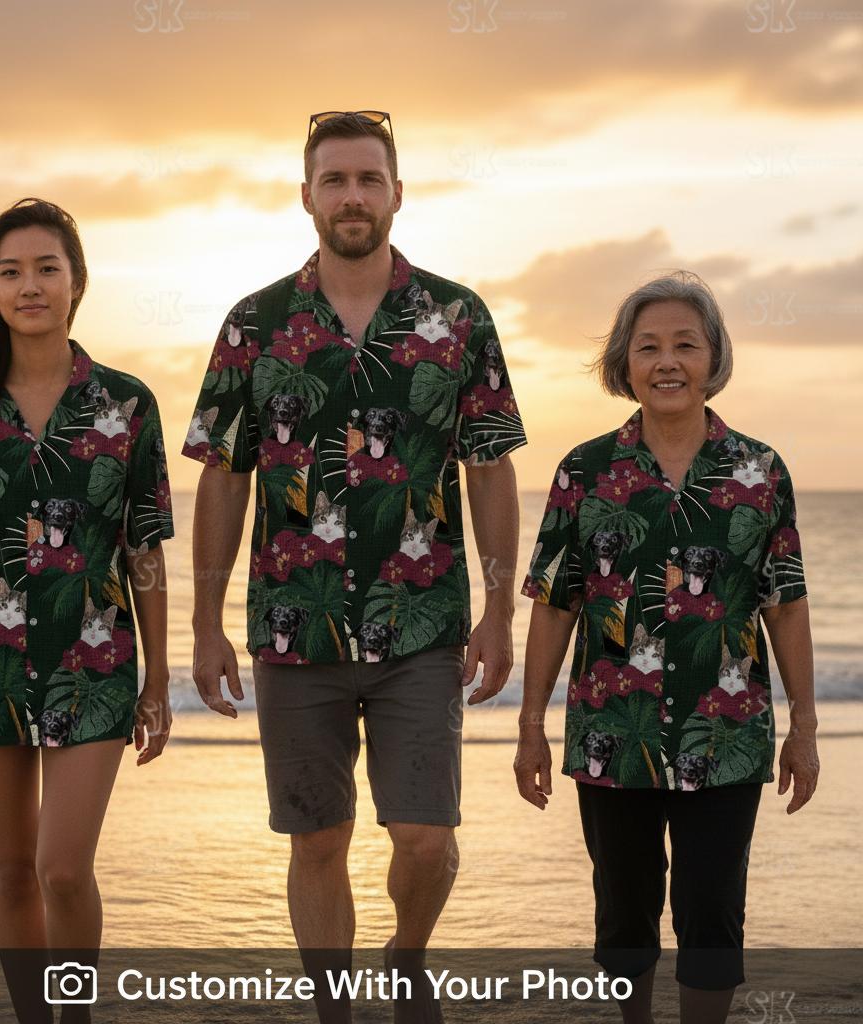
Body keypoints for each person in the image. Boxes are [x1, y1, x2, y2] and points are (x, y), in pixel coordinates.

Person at [182, 111, 527, 1022]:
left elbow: (490, 467)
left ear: (397, 194)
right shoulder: (253, 323)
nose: (352, 197)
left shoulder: (459, 317)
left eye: (369, 180)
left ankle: (405, 954)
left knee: (424, 838)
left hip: (423, 623)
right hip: (295, 626)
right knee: (318, 838)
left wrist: (500, 610)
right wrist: (204, 621)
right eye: (334, 181)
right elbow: (223, 476)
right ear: (306, 197)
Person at [0, 198, 175, 1023]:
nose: (30, 285)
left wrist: (157, 679)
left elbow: (144, 550)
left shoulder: (127, 405)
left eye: (47, 268)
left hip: (95, 667)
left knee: (61, 869)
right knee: (11, 872)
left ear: (76, 283)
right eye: (10, 272)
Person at [513, 271, 819, 1024]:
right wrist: (528, 724)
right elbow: (556, 605)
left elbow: (785, 604)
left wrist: (806, 727)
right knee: (623, 918)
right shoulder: (584, 473)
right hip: (613, 736)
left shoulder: (760, 471)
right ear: (625, 365)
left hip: (731, 734)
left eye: (686, 343)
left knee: (712, 917)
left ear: (714, 358)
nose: (668, 360)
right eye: (648, 346)